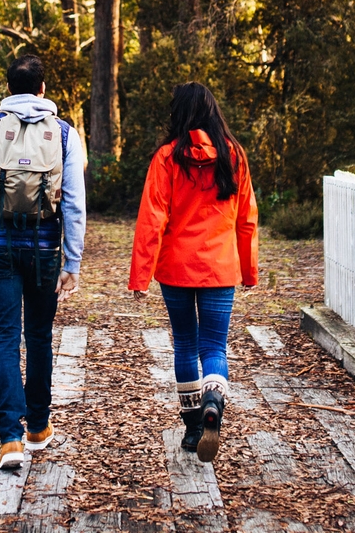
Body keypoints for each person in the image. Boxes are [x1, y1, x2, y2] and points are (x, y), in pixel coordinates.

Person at [0, 54, 86, 471]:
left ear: (8, 89)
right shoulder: (65, 133)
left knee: (6, 338)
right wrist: (72, 260)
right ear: (44, 89)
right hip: (45, 251)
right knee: (41, 337)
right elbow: (75, 204)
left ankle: (9, 438)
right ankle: (39, 427)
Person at [128, 82, 258, 463]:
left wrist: (140, 276)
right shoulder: (234, 156)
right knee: (214, 347)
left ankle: (192, 429)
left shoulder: (167, 157)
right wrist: (249, 271)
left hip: (176, 269)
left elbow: (152, 219)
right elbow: (247, 219)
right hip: (220, 268)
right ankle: (213, 401)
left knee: (185, 344)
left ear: (179, 114)